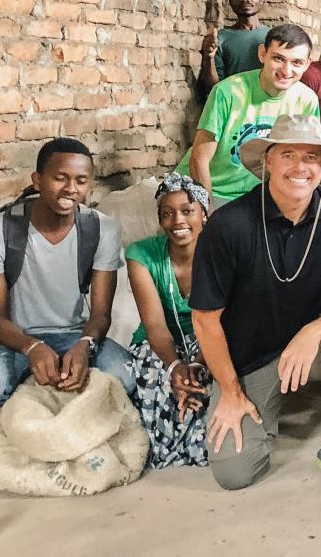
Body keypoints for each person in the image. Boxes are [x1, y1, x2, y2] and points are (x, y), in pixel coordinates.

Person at [192, 114, 321, 490]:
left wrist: (313, 332)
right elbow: (204, 320)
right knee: (234, 473)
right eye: (288, 155)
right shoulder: (229, 225)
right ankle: (263, 412)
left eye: (312, 157)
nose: (301, 167)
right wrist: (230, 391)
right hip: (250, 359)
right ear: (268, 162)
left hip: (312, 348)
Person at [0, 138, 132, 417]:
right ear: (37, 180)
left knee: (126, 378)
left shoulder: (102, 229)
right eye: (60, 178)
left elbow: (101, 314)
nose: (71, 189)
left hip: (73, 335)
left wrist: (85, 345)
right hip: (11, 337)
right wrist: (32, 346)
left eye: (81, 180)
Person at [124, 173, 212, 468]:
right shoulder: (141, 255)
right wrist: (176, 367)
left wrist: (198, 364)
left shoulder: (221, 252)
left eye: (187, 211)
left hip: (210, 338)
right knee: (158, 380)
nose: (178, 221)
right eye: (167, 213)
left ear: (204, 213)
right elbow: (155, 325)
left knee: (206, 384)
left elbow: (224, 321)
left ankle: (201, 439)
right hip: (160, 344)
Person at [181, 24, 320, 206]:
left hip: (260, 197)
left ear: (308, 63)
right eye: (278, 59)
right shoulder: (227, 91)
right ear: (262, 54)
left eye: (297, 63)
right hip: (213, 190)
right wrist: (207, 211)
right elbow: (199, 158)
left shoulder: (307, 100)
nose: (286, 71)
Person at [196, 0, 270, 103]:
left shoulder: (272, 37)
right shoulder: (221, 38)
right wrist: (209, 57)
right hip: (233, 106)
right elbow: (213, 87)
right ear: (230, 0)